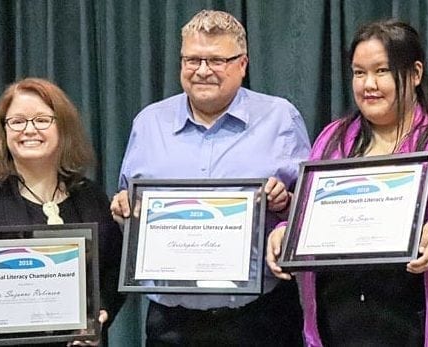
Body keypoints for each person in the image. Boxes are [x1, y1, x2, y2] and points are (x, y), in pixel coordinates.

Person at [267, 20, 428, 346]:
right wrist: (288, 233)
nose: (368, 84)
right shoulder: (333, 140)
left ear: (416, 73)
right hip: (342, 320)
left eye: (382, 71)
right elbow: (310, 219)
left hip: (425, 323)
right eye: (359, 72)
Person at [109, 10, 311, 346]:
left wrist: (285, 203)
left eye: (216, 60)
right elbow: (130, 208)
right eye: (192, 59)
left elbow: (304, 214)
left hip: (260, 319)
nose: (202, 70)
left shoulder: (280, 118)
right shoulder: (148, 123)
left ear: (242, 64)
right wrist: (123, 210)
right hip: (171, 324)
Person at [0, 78, 125, 345]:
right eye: (17, 121)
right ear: (4, 130)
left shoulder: (88, 196)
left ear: (62, 127)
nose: (29, 130)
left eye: (42, 120)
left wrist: (99, 317)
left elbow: (114, 271)